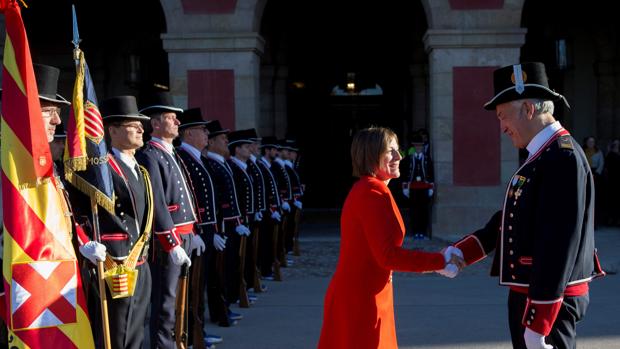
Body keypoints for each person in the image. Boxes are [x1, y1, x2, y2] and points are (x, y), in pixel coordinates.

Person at [448, 62, 605, 349]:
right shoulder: (543, 154)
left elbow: (558, 243)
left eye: (503, 117)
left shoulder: (562, 157)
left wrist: (538, 323)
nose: (502, 127)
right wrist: (464, 250)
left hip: (548, 301)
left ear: (529, 110)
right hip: (533, 295)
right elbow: (514, 217)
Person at [318, 126, 463, 349]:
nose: (399, 156)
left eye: (398, 150)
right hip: (360, 298)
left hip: (371, 292)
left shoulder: (375, 190)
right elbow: (387, 256)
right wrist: (439, 261)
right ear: (371, 154)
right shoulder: (370, 193)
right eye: (390, 151)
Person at [74, 96, 153, 349]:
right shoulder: (100, 168)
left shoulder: (140, 169)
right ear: (113, 130)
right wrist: (86, 243)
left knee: (136, 331)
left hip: (140, 261)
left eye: (141, 124)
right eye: (133, 124)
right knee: (117, 334)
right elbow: (77, 212)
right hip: (115, 264)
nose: (141, 128)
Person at [135, 91, 205, 348]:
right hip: (170, 240)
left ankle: (178, 342)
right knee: (165, 303)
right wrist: (172, 243)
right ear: (155, 123)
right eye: (171, 118)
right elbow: (159, 205)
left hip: (185, 235)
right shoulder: (150, 155)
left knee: (182, 301)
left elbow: (185, 196)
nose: (177, 122)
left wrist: (193, 232)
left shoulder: (170, 153)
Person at [175, 107, 222, 348]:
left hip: (206, 230)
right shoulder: (183, 157)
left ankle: (198, 332)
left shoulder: (198, 158)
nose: (206, 134)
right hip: (196, 232)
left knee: (200, 284)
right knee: (193, 287)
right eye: (202, 130)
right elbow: (190, 200)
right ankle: (192, 334)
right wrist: (200, 230)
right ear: (189, 133)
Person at [203, 120, 247, 326]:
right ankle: (220, 311)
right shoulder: (211, 164)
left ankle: (224, 307)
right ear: (210, 142)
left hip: (228, 225)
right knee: (217, 273)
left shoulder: (220, 163)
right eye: (222, 138)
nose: (226, 141)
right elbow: (218, 201)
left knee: (225, 269)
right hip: (220, 226)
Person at [401, 133, 434, 239]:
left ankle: (422, 232)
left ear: (422, 146)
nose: (418, 148)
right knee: (414, 211)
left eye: (420, 146)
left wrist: (431, 188)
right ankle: (415, 231)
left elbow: (431, 173)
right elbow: (405, 174)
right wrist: (405, 188)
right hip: (413, 189)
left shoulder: (427, 159)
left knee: (423, 211)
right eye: (416, 146)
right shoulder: (409, 159)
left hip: (424, 188)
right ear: (414, 147)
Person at [583, 136, 605, 225]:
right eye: (589, 142)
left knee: (596, 198)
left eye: (592, 142)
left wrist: (596, 174)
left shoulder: (598, 152)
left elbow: (601, 163)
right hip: (586, 174)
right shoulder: (583, 151)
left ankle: (595, 222)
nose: (591, 143)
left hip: (596, 175)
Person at [604, 139, 620, 225]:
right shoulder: (610, 153)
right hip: (612, 179)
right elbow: (606, 165)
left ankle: (617, 219)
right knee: (611, 199)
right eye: (615, 143)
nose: (617, 145)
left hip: (618, 179)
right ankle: (611, 219)